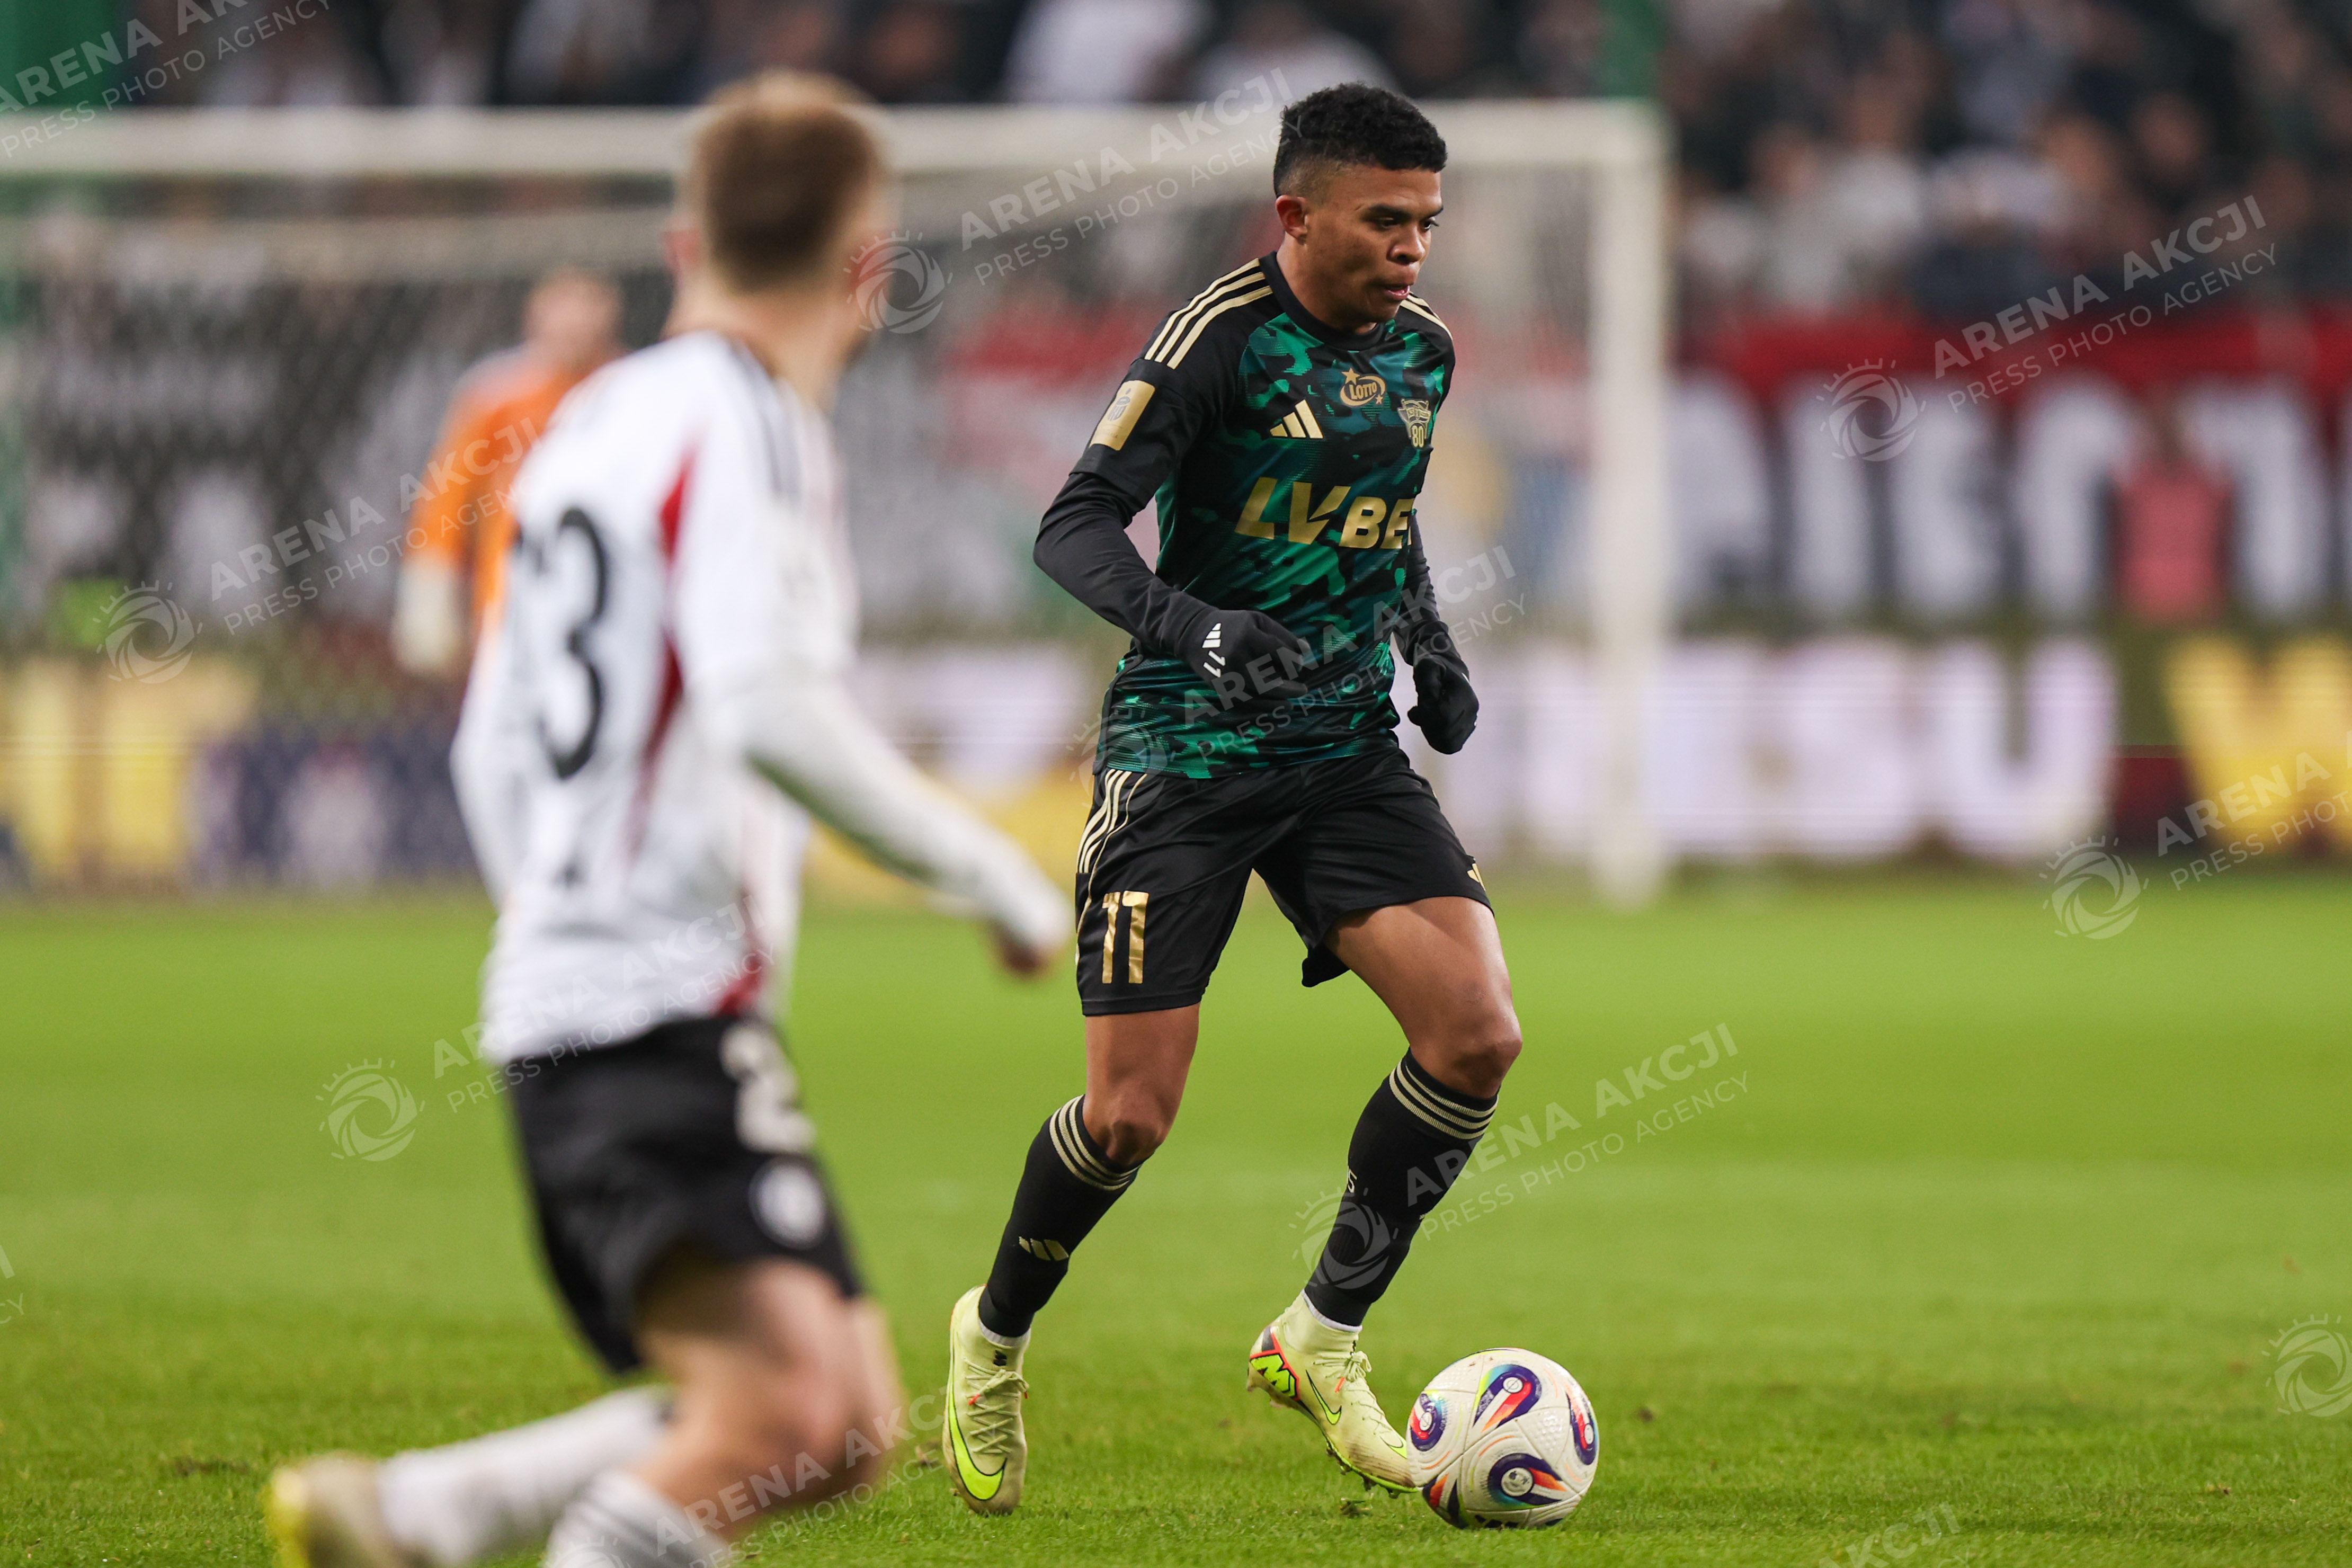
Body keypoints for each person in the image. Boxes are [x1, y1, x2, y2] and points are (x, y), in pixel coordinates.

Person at [266, 74, 1067, 1568]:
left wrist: (557, 903)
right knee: (783, 1417)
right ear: (870, 269)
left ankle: (422, 1513)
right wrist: (994, 878)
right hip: (651, 1005)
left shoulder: (587, 422)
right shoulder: (750, 419)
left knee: (839, 1421)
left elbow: (492, 734)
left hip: (578, 984)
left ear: (681, 246)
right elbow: (767, 704)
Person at [939, 82, 1513, 1514]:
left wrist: (1431, 650)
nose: (1411, 248)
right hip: (1187, 753)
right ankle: (994, 1333)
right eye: (1384, 221)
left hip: (1342, 748)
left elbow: (1383, 523)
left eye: (1427, 223)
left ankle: (1321, 1335)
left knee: (1476, 1033)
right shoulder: (1217, 341)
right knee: (1129, 1116)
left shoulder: (1424, 354)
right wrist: (1195, 627)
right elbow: (1072, 526)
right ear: (1295, 215)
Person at [391, 269, 623, 676]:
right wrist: (430, 597)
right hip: (509, 603)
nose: (575, 318)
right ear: (534, 312)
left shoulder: (633, 389)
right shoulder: (496, 395)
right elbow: (446, 501)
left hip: (616, 597)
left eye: (588, 301)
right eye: (562, 301)